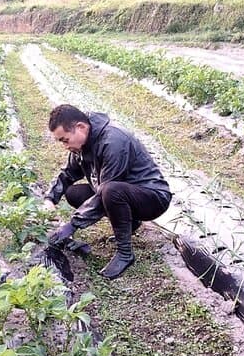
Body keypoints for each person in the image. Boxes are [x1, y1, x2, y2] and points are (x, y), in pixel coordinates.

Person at [44, 104, 172, 279]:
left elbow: (106, 190)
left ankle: (125, 253)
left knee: (110, 191)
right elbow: (68, 173)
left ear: (80, 127)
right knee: (74, 193)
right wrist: (50, 199)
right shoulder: (82, 145)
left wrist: (72, 225)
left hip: (153, 198)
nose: (65, 146)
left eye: (65, 140)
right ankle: (131, 223)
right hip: (123, 191)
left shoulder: (113, 141)